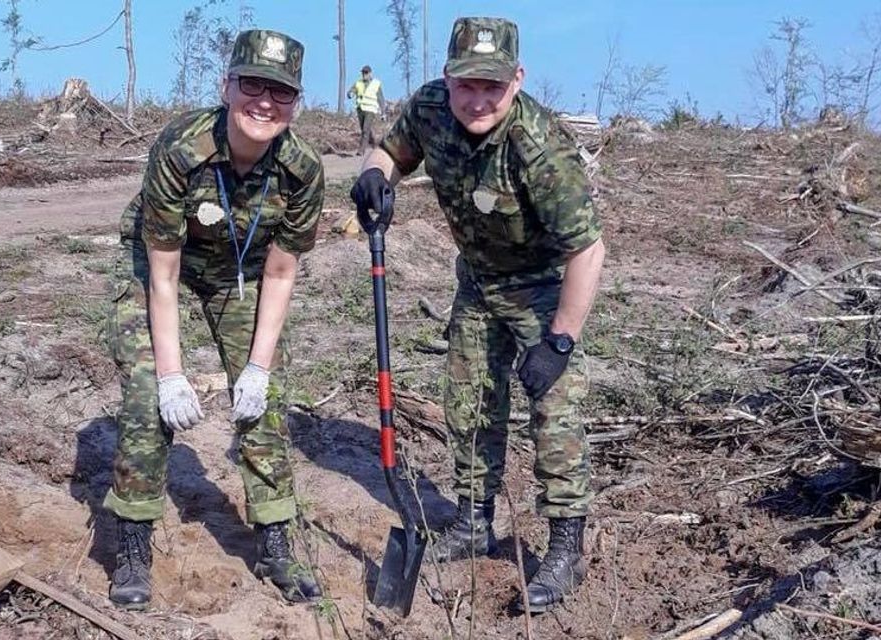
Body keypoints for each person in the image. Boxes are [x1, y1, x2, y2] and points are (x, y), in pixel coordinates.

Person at [350, 17, 605, 614]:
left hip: (545, 289)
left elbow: (588, 250)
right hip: (478, 281)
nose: (478, 99)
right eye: (467, 84)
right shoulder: (432, 109)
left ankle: (565, 545)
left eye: (492, 85)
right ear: (447, 78)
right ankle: (473, 520)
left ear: (516, 80)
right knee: (468, 401)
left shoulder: (538, 148)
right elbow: (391, 150)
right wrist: (373, 174)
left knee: (556, 412)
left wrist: (560, 341)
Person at [104, 29, 325, 609]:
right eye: (252, 84)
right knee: (149, 391)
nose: (263, 101)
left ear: (295, 102)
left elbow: (280, 275)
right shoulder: (182, 148)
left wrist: (256, 368)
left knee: (267, 395)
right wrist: (174, 374)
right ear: (227, 86)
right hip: (157, 265)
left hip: (241, 273)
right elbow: (163, 276)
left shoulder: (302, 171)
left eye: (280, 91)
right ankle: (132, 542)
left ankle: (276, 540)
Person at [346, 65, 386, 155]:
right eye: (363, 73)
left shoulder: (376, 84)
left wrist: (383, 113)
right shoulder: (358, 83)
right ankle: (375, 145)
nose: (364, 75)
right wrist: (350, 94)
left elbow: (381, 99)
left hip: (371, 110)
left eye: (366, 73)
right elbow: (350, 91)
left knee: (365, 130)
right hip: (360, 109)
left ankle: (361, 150)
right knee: (365, 129)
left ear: (370, 74)